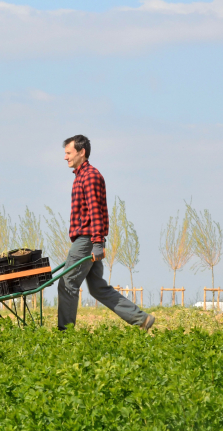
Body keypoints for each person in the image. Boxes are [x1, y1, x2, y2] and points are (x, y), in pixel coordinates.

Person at [57, 134, 155, 331]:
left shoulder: (90, 176)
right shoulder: (80, 177)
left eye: (68, 153)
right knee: (97, 287)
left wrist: (97, 243)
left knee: (67, 283)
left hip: (86, 239)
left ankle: (64, 334)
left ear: (81, 152)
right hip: (88, 239)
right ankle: (141, 319)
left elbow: (95, 212)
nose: (65, 157)